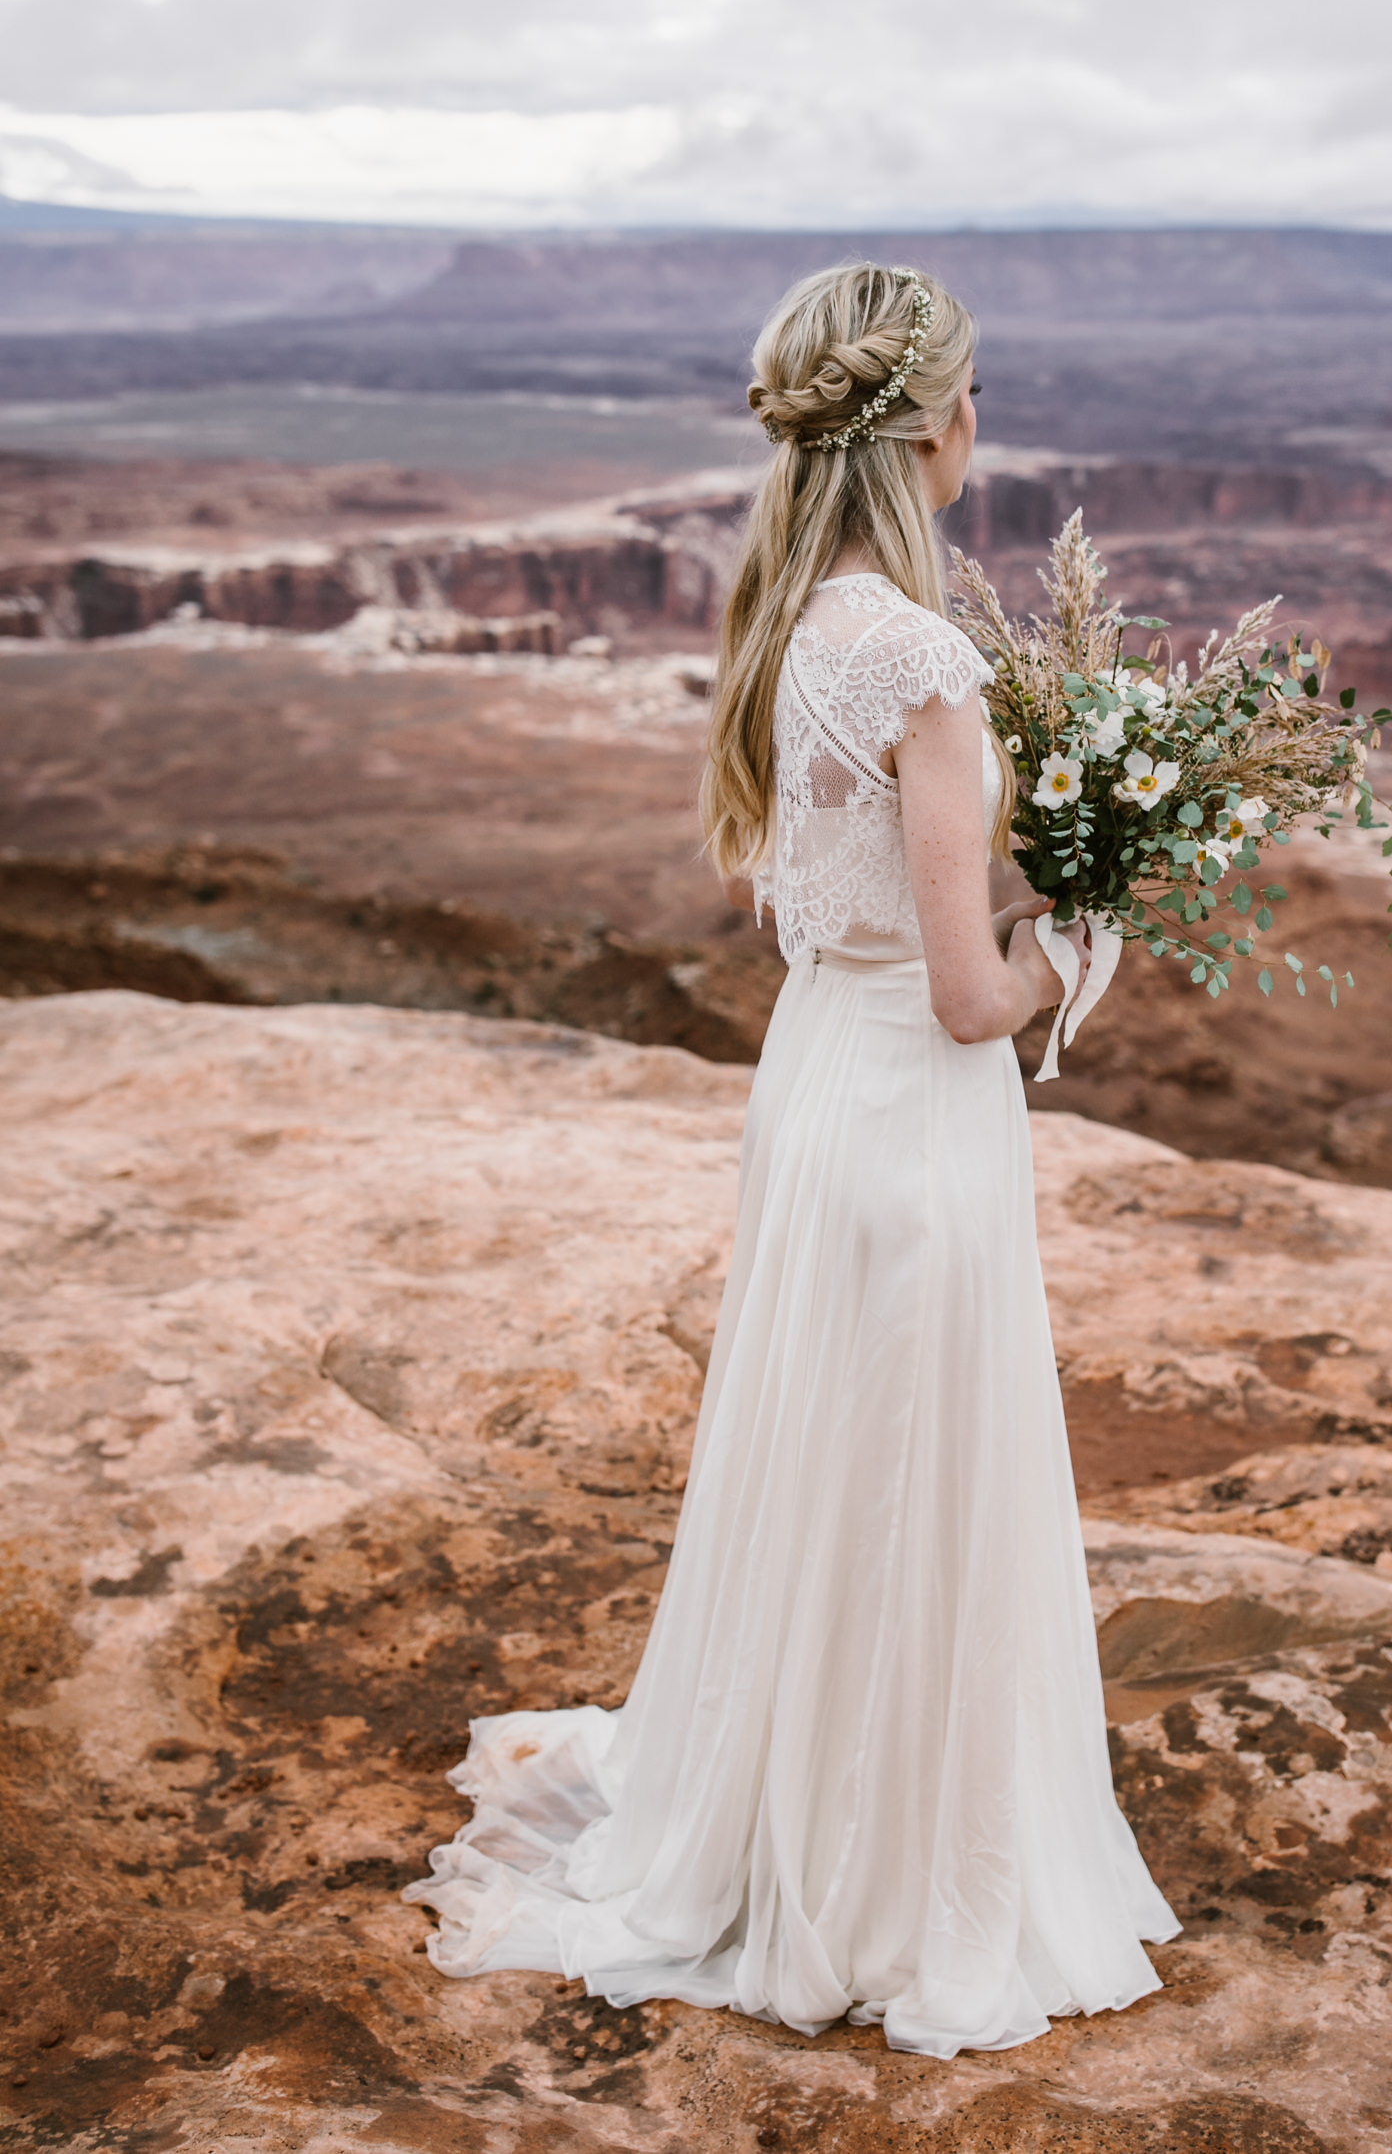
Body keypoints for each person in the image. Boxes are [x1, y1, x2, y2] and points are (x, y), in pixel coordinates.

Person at [406, 262, 1178, 2058]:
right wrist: (1094, 926)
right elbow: (978, 998)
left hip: (819, 1074)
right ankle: (894, 1872)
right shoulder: (921, 654)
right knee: (918, 1474)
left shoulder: (791, 624)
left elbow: (824, 922)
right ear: (940, 424)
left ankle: (771, 1815)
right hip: (914, 1104)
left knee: (828, 1458)